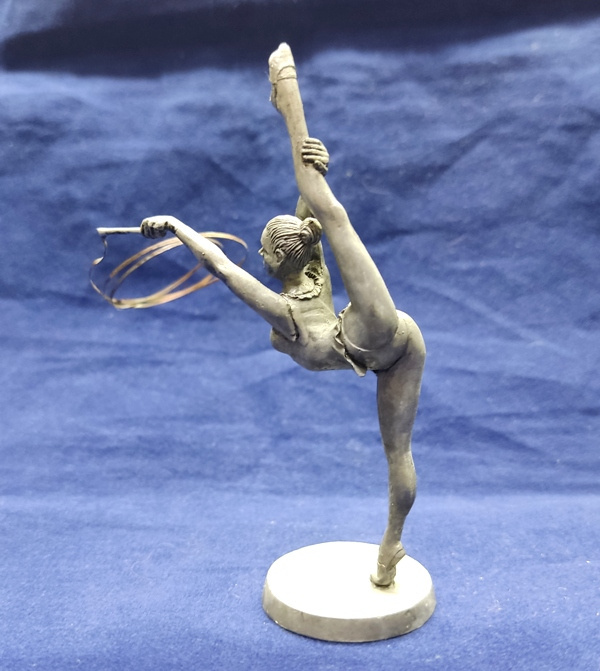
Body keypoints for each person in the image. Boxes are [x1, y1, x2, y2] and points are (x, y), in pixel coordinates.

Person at [141, 137, 425, 588]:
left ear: (279, 259)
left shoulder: (285, 312)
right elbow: (305, 214)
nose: (259, 256)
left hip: (364, 336)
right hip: (401, 349)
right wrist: (314, 165)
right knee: (398, 453)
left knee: (335, 219)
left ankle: (392, 543)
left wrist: (178, 225)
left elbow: (223, 268)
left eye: (264, 251)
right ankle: (391, 544)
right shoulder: (314, 271)